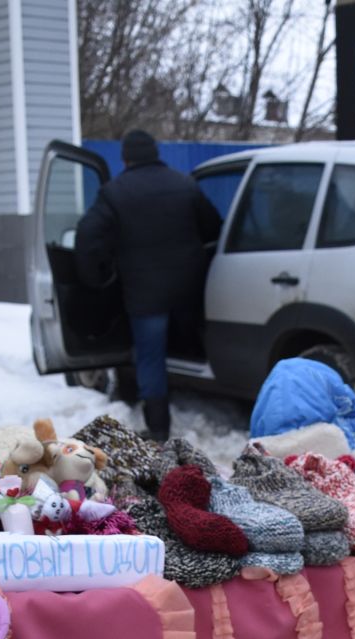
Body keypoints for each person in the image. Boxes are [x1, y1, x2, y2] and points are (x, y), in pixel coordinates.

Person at [75, 130, 223, 442]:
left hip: (145, 295)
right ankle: (225, 395)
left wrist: (94, 276)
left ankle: (158, 427)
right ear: (156, 153)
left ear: (125, 158)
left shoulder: (114, 192)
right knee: (196, 341)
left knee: (151, 357)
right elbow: (213, 227)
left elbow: (88, 237)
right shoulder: (185, 184)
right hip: (191, 288)